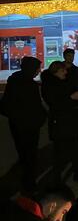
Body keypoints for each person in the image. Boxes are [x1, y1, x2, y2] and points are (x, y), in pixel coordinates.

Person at [0, 56, 45, 190]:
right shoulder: (29, 84)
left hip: (16, 123)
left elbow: (7, 103)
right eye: (37, 68)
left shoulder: (14, 79)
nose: (39, 71)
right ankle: (29, 184)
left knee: (23, 151)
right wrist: (42, 118)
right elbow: (35, 106)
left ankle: (25, 178)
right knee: (30, 154)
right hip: (28, 125)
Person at [41, 61, 78, 184]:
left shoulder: (66, 81)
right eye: (63, 70)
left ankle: (77, 173)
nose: (66, 72)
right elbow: (53, 102)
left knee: (75, 149)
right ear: (55, 71)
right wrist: (71, 98)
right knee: (59, 152)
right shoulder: (49, 85)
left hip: (71, 121)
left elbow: (73, 96)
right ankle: (56, 177)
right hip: (59, 123)